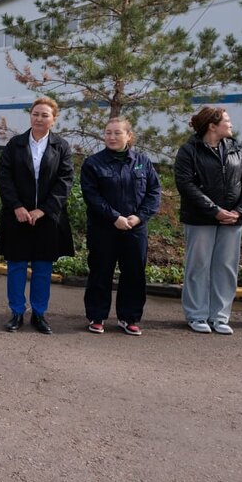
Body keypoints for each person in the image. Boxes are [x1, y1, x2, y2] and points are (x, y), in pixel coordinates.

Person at [173, 106, 242, 335]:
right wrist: (215, 211)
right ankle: (196, 315)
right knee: (198, 267)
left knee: (226, 268)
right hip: (200, 219)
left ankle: (220, 317)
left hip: (232, 220)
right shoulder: (189, 151)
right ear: (212, 126)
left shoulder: (236, 149)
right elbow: (186, 185)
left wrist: (240, 211)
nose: (231, 124)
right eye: (227, 120)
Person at [0, 97, 74, 334]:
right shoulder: (15, 144)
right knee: (17, 265)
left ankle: (39, 314)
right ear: (30, 116)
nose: (39, 118)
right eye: (35, 114)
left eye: (45, 115)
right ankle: (17, 312)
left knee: (42, 268)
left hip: (47, 218)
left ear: (53, 119)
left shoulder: (61, 146)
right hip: (17, 216)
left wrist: (44, 210)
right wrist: (17, 207)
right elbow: (5, 177)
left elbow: (65, 181)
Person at [80, 117, 162, 336]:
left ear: (129, 136)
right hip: (103, 228)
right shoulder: (93, 163)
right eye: (108, 133)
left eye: (117, 133)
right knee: (100, 272)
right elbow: (91, 195)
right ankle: (97, 316)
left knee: (134, 274)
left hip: (135, 229)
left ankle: (129, 317)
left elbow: (154, 193)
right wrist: (114, 217)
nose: (112, 137)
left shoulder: (142, 162)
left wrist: (139, 217)